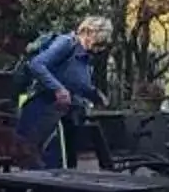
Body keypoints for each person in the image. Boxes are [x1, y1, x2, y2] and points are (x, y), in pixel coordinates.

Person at [15, 16, 113, 171]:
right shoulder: (67, 43)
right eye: (98, 43)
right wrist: (58, 88)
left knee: (63, 167)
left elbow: (77, 83)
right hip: (41, 111)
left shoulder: (85, 58)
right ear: (87, 32)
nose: (98, 49)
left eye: (102, 45)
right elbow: (37, 64)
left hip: (64, 117)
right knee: (39, 165)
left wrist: (95, 94)